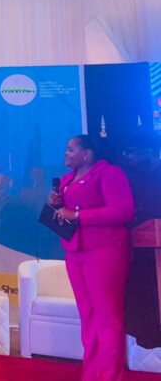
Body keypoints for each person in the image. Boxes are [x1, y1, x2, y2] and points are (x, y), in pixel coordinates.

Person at [49, 134, 134, 381]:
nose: (66, 153)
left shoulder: (109, 173)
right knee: (88, 316)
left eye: (71, 149)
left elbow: (123, 210)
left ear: (87, 153)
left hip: (105, 252)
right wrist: (55, 204)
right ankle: (92, 374)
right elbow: (64, 212)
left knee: (108, 318)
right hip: (75, 252)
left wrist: (77, 214)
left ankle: (110, 376)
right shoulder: (66, 180)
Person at [123, 130, 161, 349]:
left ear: (152, 152)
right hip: (141, 254)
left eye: (134, 153)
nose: (129, 157)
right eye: (127, 152)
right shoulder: (132, 178)